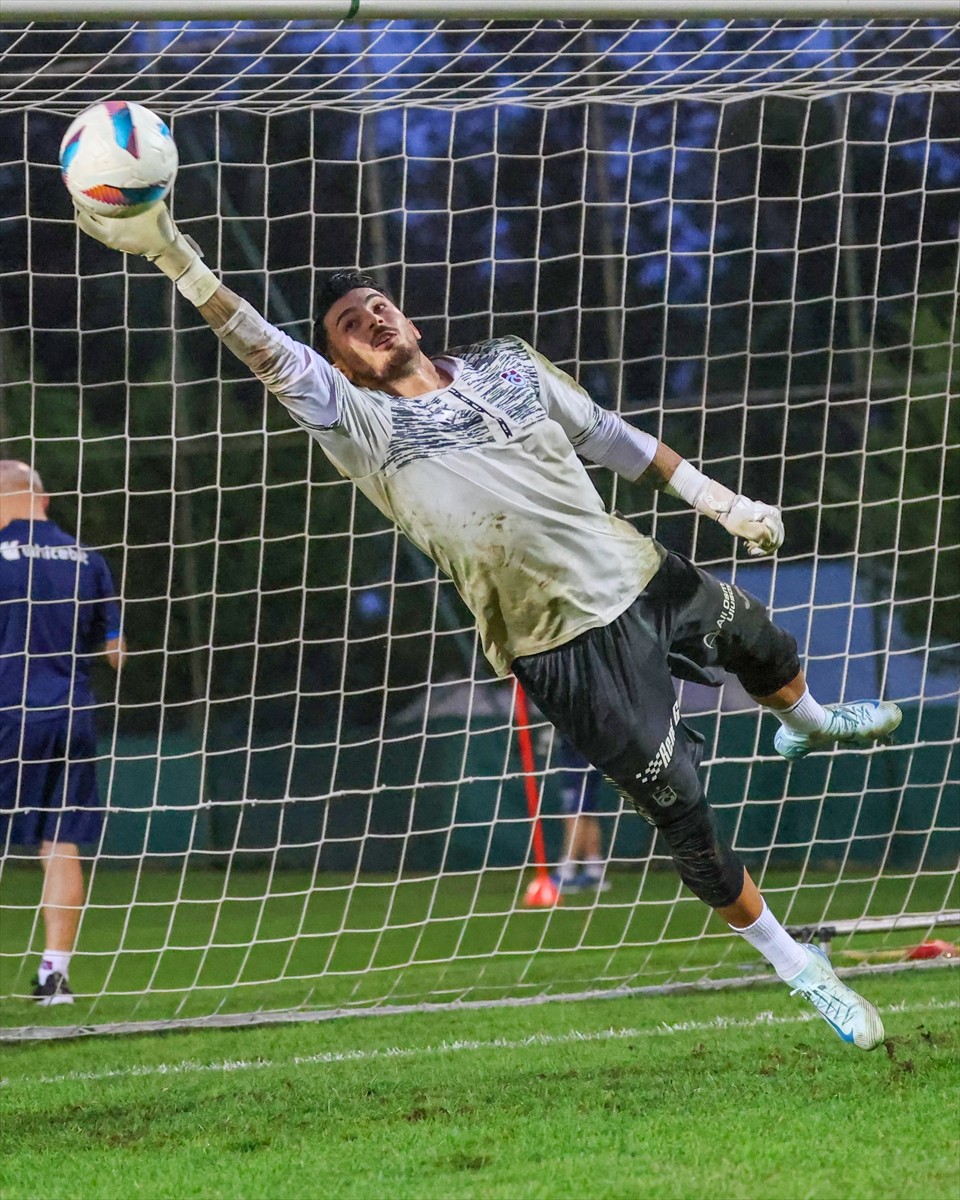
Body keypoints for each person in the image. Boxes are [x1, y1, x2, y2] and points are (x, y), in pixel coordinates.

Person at [75, 200, 902, 1051]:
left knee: (765, 643)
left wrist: (716, 501)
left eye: (377, 305)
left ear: (409, 314)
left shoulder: (509, 363)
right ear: (342, 366)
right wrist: (176, 255)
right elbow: (258, 343)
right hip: (560, 645)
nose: (372, 319)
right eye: (350, 326)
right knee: (684, 818)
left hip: (639, 572)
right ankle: (799, 967)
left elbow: (609, 438)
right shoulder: (357, 422)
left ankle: (805, 722)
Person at [0, 460, 125, 1005]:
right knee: (60, 843)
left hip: (6, 712)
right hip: (71, 715)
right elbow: (116, 653)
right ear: (43, 500)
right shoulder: (88, 559)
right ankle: (55, 978)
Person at [549, 734, 611, 894]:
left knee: (575, 810)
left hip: (580, 742)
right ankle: (594, 870)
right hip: (588, 742)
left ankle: (566, 872)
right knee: (586, 809)